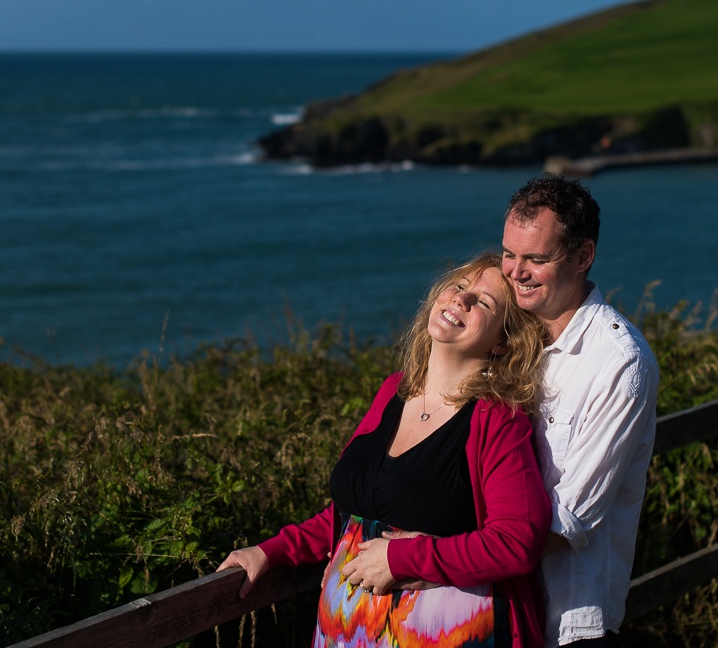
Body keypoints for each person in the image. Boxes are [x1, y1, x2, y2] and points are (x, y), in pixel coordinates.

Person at [218, 253, 553, 647]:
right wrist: (270, 552)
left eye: (483, 302)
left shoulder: (497, 418)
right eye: (461, 287)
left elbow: (517, 541)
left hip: (445, 635)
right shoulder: (394, 390)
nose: (461, 300)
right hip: (346, 632)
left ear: (502, 342)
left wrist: (400, 559)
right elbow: (352, 513)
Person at [500, 175, 659, 648]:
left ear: (583, 256)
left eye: (536, 259)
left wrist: (439, 555)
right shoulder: (505, 338)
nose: (515, 272)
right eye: (509, 253)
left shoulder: (620, 363)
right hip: (495, 613)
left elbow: (571, 520)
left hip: (567, 624)